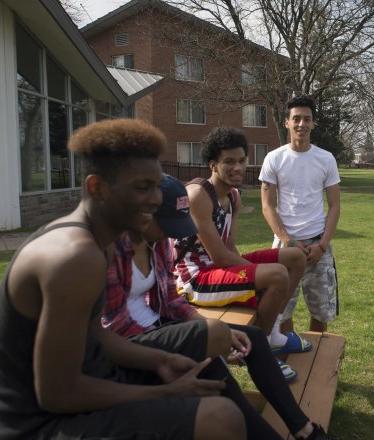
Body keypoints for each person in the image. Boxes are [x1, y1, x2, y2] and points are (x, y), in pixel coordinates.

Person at [0, 119, 245, 440]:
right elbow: (57, 394)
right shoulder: (74, 258)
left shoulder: (100, 243)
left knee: (207, 374)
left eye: (156, 185)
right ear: (98, 187)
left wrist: (162, 360)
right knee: (220, 419)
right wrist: (165, 393)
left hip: (92, 382)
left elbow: (97, 336)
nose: (155, 199)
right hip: (40, 424)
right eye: (142, 187)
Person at [103, 174, 329, 440]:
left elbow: (171, 299)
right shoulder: (111, 250)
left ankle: (303, 429)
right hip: (132, 343)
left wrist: (204, 325)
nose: (171, 233)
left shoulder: (158, 242)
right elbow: (114, 325)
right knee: (210, 365)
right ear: (145, 212)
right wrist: (195, 338)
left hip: (160, 326)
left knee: (252, 337)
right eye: (166, 224)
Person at [174, 127, 312, 356]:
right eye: (228, 161)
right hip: (195, 279)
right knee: (277, 275)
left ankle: (274, 330)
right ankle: (263, 349)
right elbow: (219, 256)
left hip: (217, 269)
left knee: (295, 257)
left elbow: (229, 246)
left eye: (241, 160)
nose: (237, 167)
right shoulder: (199, 195)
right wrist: (258, 274)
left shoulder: (233, 195)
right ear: (212, 165)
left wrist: (252, 275)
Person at [259, 95, 341, 333]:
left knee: (321, 312)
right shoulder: (274, 158)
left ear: (314, 123)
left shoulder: (325, 159)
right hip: (285, 247)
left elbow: (335, 205)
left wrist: (322, 245)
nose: (301, 124)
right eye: (296, 118)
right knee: (281, 311)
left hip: (318, 246)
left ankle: (316, 362)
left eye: (307, 119)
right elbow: (267, 205)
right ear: (287, 122)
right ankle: (287, 356)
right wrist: (287, 240)